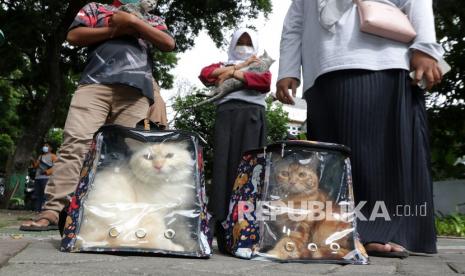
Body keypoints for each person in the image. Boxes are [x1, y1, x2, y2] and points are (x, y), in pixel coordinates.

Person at [276, 0, 444, 257]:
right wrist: (288, 68)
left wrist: (424, 47)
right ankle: (338, 232)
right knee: (332, 165)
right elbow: (295, 21)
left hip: (379, 58)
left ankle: (378, 232)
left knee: (380, 158)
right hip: (321, 68)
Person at [20, 0, 175, 231]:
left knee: (125, 155)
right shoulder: (95, 8)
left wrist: (133, 21)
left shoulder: (152, 18)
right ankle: (54, 211)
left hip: (137, 92)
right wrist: (117, 29)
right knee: (75, 144)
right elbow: (74, 36)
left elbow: (167, 43)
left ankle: (114, 214)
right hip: (94, 85)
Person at [198, 28, 271, 252]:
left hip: (252, 116)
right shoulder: (222, 62)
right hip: (226, 116)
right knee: (223, 169)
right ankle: (219, 231)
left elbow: (263, 82)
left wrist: (229, 74)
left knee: (249, 172)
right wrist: (239, 69)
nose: (245, 45)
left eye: (249, 41)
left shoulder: (262, 64)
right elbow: (206, 74)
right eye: (241, 40)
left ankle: (245, 234)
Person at [32, 143, 58, 212]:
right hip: (38, 178)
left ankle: (45, 210)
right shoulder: (40, 156)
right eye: (44, 146)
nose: (44, 147)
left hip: (47, 178)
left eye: (47, 146)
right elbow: (35, 166)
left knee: (46, 195)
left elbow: (56, 166)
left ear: (51, 148)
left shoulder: (53, 156)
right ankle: (37, 210)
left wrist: (47, 172)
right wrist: (33, 160)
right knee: (38, 195)